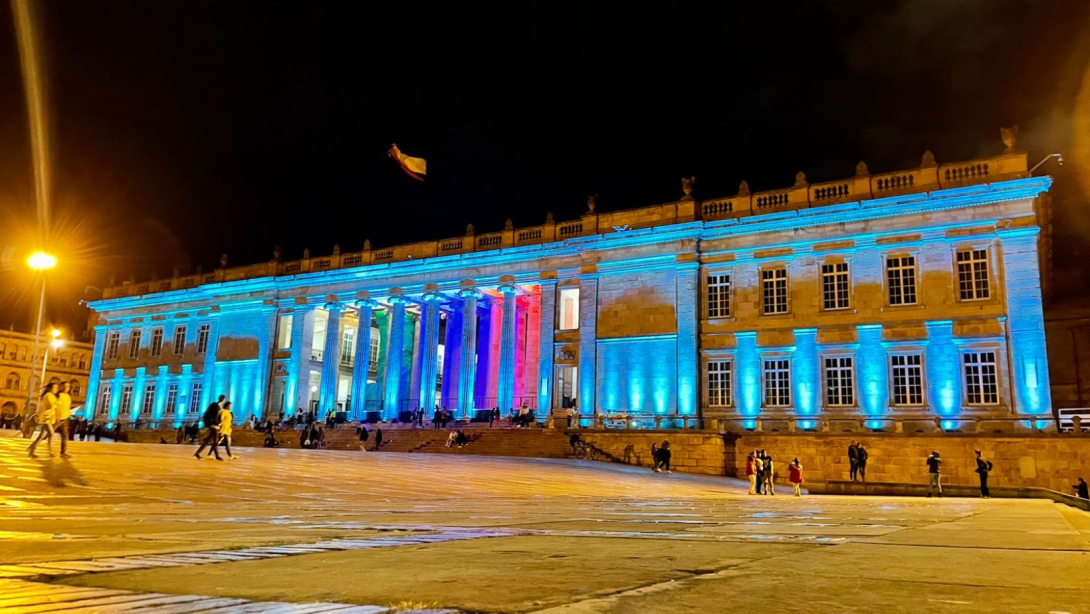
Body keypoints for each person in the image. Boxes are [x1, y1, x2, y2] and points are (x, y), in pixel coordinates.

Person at [27, 383, 60, 458]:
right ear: (51, 388)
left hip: (49, 418)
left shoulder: (52, 396)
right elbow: (52, 405)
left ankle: (32, 450)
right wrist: (58, 403)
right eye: (55, 387)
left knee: (42, 436)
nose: (56, 389)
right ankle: (50, 452)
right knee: (51, 434)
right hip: (46, 418)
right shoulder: (48, 395)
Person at [194, 395, 226, 460]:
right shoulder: (216, 407)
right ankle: (217, 456)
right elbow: (214, 417)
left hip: (212, 425)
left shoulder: (215, 405)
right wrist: (218, 424)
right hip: (213, 425)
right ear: (223, 400)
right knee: (215, 441)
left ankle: (197, 453)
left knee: (209, 440)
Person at [55, 382, 73, 458]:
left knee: (65, 435)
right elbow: (57, 406)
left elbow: (67, 407)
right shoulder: (59, 395)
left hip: (65, 418)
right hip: (58, 418)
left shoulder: (68, 396)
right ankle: (34, 446)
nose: (68, 387)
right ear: (63, 387)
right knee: (47, 433)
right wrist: (57, 416)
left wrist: (69, 414)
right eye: (66, 386)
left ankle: (63, 452)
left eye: (69, 386)